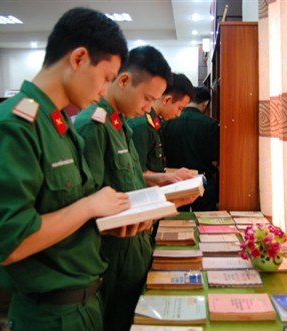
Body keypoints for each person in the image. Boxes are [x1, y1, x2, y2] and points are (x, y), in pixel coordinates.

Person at [0, 7, 136, 331]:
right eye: (105, 78)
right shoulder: (14, 126)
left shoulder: (58, 123)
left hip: (83, 304)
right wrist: (89, 206)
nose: (105, 91)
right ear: (78, 58)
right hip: (50, 316)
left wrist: (103, 222)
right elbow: (11, 242)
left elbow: (61, 213)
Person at [74, 45, 198, 331]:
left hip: (134, 251)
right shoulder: (94, 125)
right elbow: (87, 200)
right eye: (147, 98)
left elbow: (127, 179)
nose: (147, 108)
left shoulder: (121, 125)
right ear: (124, 81)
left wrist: (159, 182)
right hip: (112, 256)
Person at [162, 86, 220, 211]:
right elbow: (215, 160)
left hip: (173, 182)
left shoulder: (167, 122)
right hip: (203, 182)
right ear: (206, 103)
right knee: (204, 221)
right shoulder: (211, 125)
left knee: (175, 219)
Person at [128, 73, 195, 174]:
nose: (179, 114)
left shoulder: (155, 122)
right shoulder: (142, 125)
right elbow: (137, 174)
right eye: (180, 108)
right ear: (167, 100)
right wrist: (170, 177)